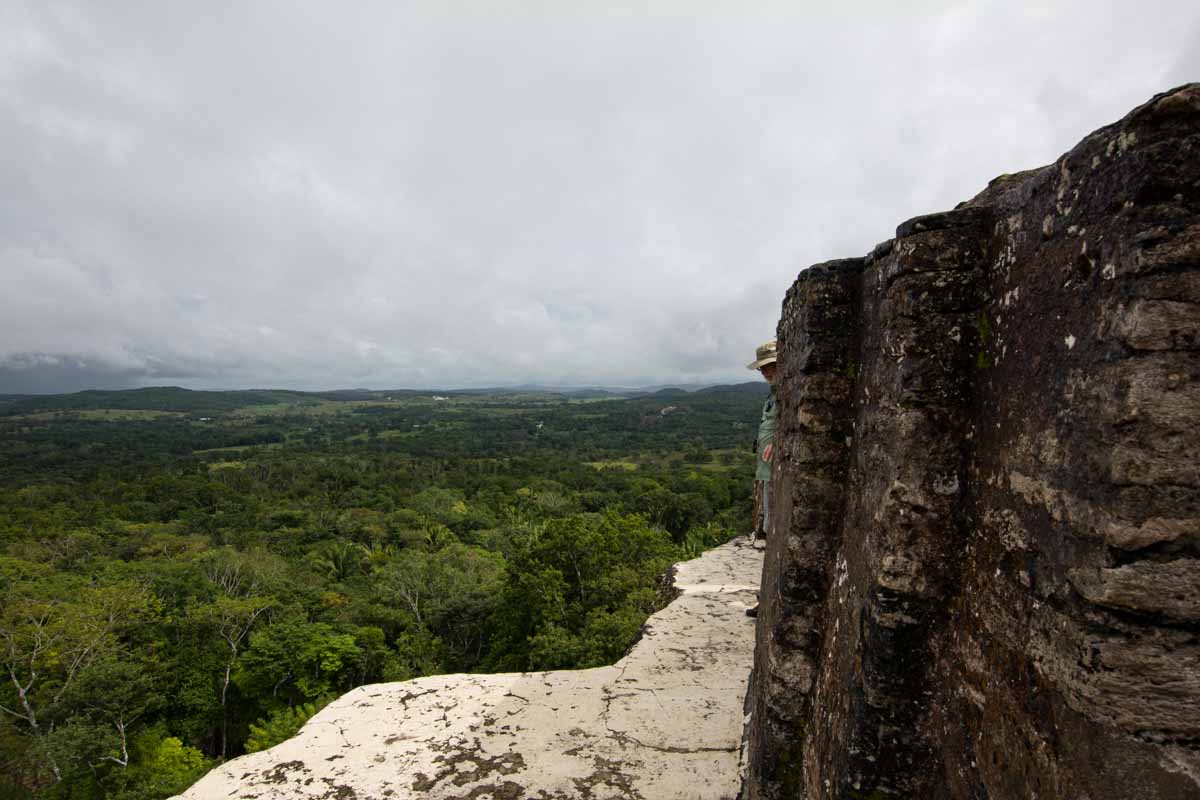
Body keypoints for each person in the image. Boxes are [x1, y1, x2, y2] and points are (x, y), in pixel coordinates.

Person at [745, 339, 778, 617]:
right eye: (763, 368)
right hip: (768, 474)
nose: (766, 372)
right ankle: (765, 597)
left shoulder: (785, 393)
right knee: (769, 534)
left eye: (771, 365)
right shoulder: (774, 394)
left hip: (776, 475)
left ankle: (768, 599)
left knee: (773, 536)